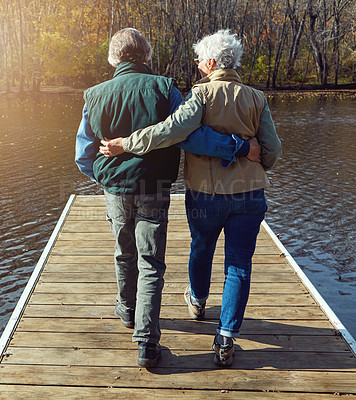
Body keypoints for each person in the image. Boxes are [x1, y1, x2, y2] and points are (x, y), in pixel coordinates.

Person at [75, 28, 260, 368]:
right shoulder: (164, 88)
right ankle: (147, 344)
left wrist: (103, 177)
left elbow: (83, 155)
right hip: (155, 188)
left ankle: (127, 310)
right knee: (151, 264)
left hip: (114, 190)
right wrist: (239, 147)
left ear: (113, 59)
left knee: (123, 251)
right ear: (146, 56)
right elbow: (190, 134)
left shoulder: (94, 95)